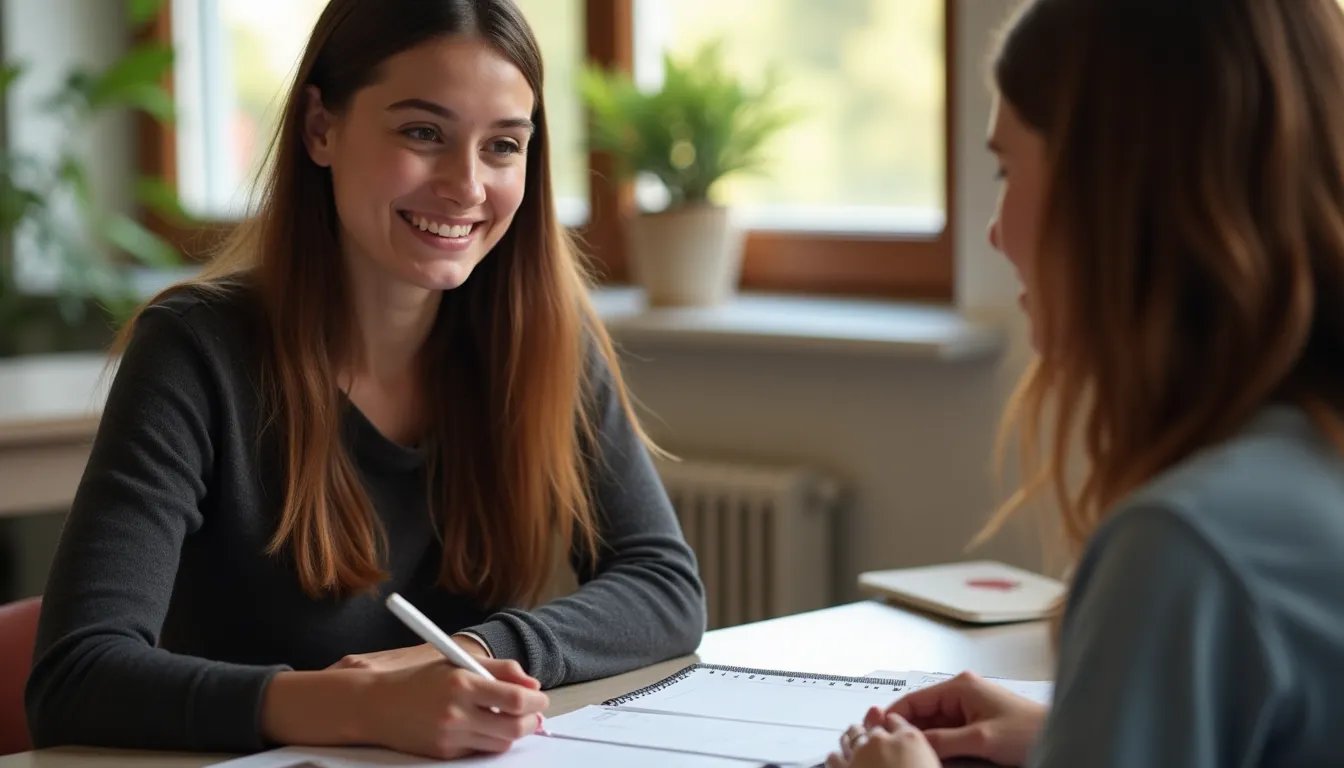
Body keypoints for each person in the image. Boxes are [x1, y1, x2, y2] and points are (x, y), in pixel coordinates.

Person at [25, 0, 705, 758]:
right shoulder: (194, 350)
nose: (466, 186)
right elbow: (77, 678)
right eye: (423, 133)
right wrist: (357, 706)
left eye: (503, 146)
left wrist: (468, 652)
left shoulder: (541, 336)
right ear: (321, 128)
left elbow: (664, 586)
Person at [828, 0, 1344, 765]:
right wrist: (1072, 732)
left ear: (1112, 189)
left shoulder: (1184, 545)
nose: (997, 232)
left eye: (1008, 168)